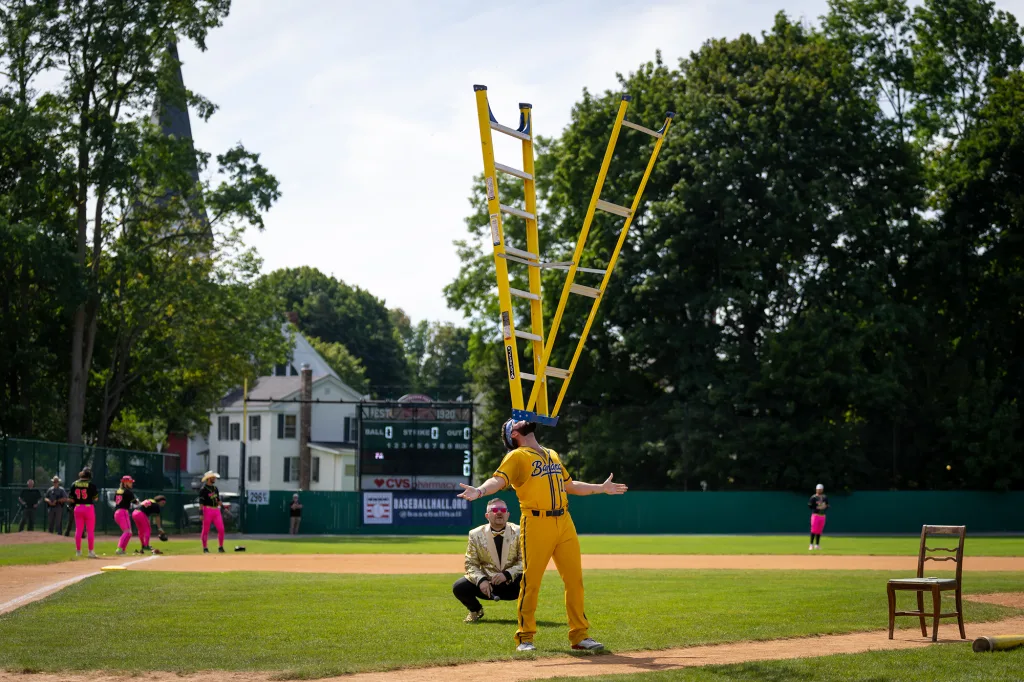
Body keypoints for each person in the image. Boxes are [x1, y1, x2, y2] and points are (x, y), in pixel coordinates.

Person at [457, 418, 628, 652]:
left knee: (575, 581)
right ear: (514, 434)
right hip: (536, 522)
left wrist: (601, 488)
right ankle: (525, 637)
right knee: (531, 582)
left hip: (564, 521)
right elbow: (499, 480)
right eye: (514, 421)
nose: (522, 418)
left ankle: (580, 635)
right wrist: (479, 491)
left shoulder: (551, 454)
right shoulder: (516, 456)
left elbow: (569, 485)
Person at [453, 498, 523, 623]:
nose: (499, 513)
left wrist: (507, 574)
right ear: (487, 515)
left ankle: (526, 616)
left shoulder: (520, 531)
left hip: (513, 583)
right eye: (495, 510)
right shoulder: (475, 534)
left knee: (531, 581)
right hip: (487, 585)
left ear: (508, 514)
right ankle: (476, 610)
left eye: (503, 510)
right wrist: (481, 580)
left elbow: (525, 560)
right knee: (459, 587)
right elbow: (471, 563)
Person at [69, 469, 99, 558]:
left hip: (77, 508)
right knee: (90, 531)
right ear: (89, 476)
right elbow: (96, 498)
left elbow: (71, 499)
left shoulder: (74, 484)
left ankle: (78, 551)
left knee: (78, 530)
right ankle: (90, 552)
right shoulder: (91, 485)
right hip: (88, 508)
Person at [198, 471, 228, 553]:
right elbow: (201, 503)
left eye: (214, 477)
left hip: (216, 510)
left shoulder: (215, 489)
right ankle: (205, 548)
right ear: (208, 478)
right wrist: (201, 513)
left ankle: (220, 547)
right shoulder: (203, 490)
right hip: (207, 510)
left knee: (221, 529)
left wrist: (223, 508)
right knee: (205, 530)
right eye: (213, 477)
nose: (214, 478)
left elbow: (218, 500)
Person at [113, 476, 137, 555]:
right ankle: (119, 549)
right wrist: (143, 503)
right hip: (123, 512)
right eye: (130, 482)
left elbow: (115, 500)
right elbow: (135, 502)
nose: (131, 484)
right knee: (127, 532)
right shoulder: (128, 492)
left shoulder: (118, 491)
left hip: (117, 512)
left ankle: (122, 549)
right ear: (125, 482)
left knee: (129, 533)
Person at [808, 483, 829, 550]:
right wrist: (817, 507)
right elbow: (810, 506)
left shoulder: (825, 497)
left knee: (819, 531)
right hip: (815, 515)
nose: (819, 491)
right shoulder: (813, 497)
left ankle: (817, 545)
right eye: (818, 489)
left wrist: (825, 506)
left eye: (820, 489)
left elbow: (827, 505)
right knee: (814, 530)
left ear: (822, 490)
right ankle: (811, 545)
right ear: (816, 490)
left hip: (822, 516)